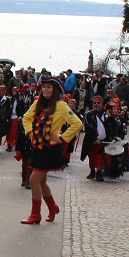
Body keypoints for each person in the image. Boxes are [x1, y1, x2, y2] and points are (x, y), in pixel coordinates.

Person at [20, 78, 82, 224]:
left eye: (49, 87)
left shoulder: (61, 106)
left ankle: (35, 215)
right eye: (44, 87)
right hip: (38, 146)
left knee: (33, 180)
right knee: (41, 182)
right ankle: (53, 208)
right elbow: (26, 118)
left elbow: (77, 124)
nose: (45, 90)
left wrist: (62, 137)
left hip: (51, 148)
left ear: (55, 91)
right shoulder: (37, 103)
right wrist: (30, 132)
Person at [80, 96, 119, 182]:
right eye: (95, 103)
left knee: (99, 157)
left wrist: (113, 136)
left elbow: (114, 124)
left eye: (99, 103)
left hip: (103, 141)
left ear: (102, 104)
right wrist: (94, 139)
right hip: (92, 141)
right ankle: (92, 171)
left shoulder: (106, 114)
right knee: (92, 157)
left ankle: (99, 173)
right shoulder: (89, 114)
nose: (96, 105)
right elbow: (88, 128)